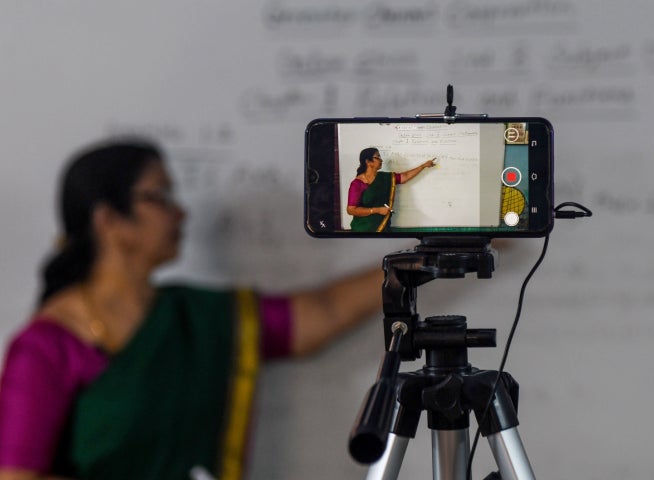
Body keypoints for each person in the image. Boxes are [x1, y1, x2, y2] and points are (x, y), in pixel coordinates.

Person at [0, 139, 384, 480]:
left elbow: (322, 313)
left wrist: (412, 264)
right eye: (159, 196)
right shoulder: (47, 347)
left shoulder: (198, 317)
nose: (179, 213)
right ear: (109, 221)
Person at [347, 147, 436, 232]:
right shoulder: (357, 183)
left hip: (384, 227)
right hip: (363, 230)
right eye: (377, 157)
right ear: (368, 161)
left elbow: (405, 177)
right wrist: (376, 210)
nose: (381, 160)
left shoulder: (385, 177)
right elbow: (351, 210)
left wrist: (423, 166)